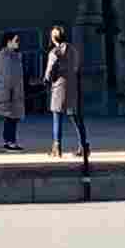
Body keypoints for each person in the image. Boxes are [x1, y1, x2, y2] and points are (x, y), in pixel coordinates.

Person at [42, 25, 83, 156]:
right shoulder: (74, 50)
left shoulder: (54, 52)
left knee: (57, 118)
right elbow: (76, 67)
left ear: (53, 38)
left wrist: (46, 80)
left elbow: (48, 73)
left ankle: (57, 148)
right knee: (76, 118)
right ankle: (83, 147)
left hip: (58, 87)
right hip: (72, 86)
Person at [0, 30, 29, 150]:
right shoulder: (4, 56)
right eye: (16, 40)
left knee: (13, 117)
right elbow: (7, 77)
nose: (18, 43)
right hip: (9, 92)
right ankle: (10, 141)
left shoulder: (14, 55)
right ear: (8, 42)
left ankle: (10, 140)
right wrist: (11, 93)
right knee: (11, 117)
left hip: (15, 91)